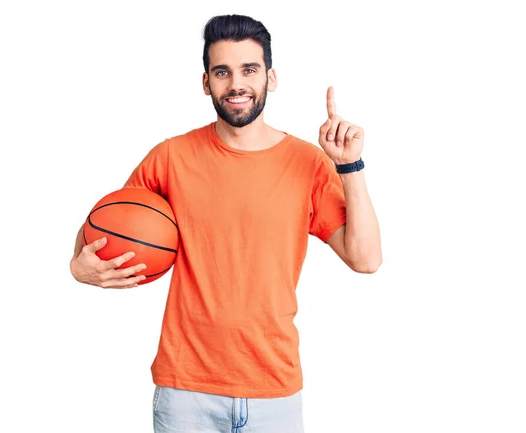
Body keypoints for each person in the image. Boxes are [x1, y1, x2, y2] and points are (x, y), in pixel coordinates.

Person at [70, 13, 382, 433]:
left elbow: (366, 259)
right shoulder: (170, 157)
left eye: (249, 70)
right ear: (206, 83)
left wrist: (350, 165)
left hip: (275, 389)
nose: (237, 84)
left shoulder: (307, 163)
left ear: (270, 78)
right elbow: (109, 226)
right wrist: (78, 265)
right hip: (186, 393)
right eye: (222, 72)